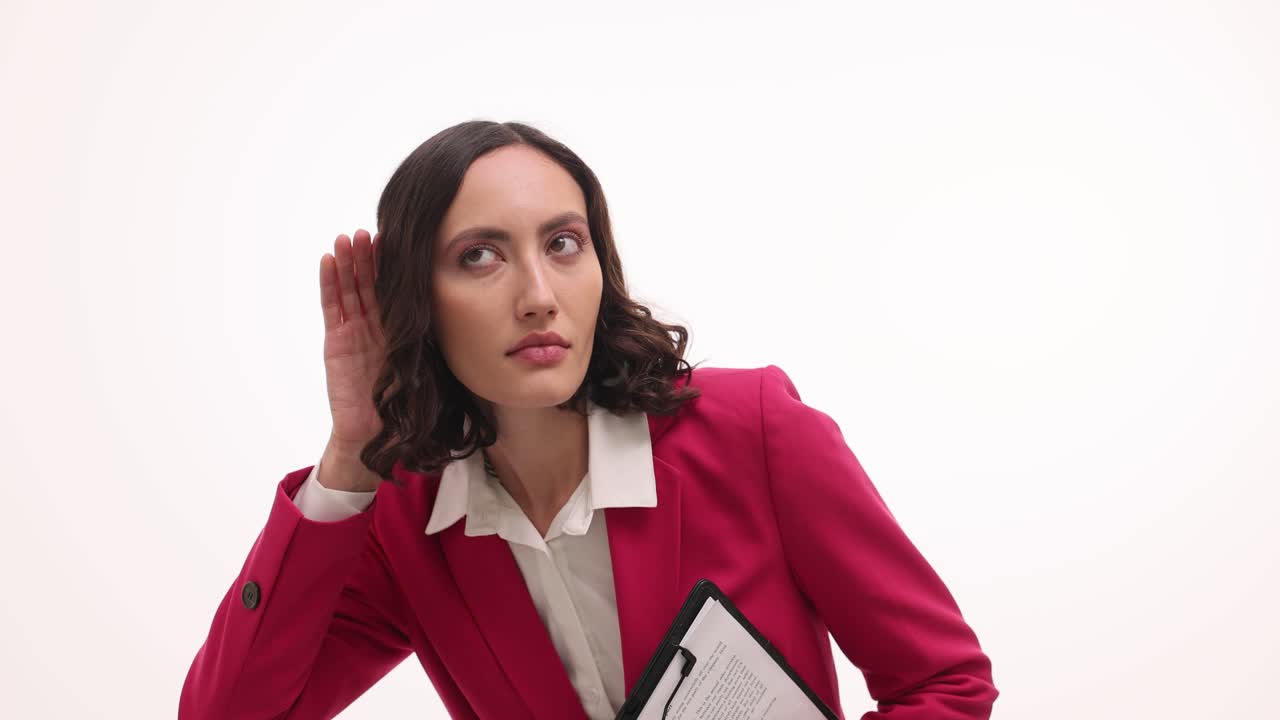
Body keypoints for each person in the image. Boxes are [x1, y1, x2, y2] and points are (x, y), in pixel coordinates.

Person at [178, 120, 998, 720]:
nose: (538, 294)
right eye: (480, 255)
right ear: (414, 302)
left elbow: (943, 685)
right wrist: (351, 459)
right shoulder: (406, 525)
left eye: (563, 244)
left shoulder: (754, 432)